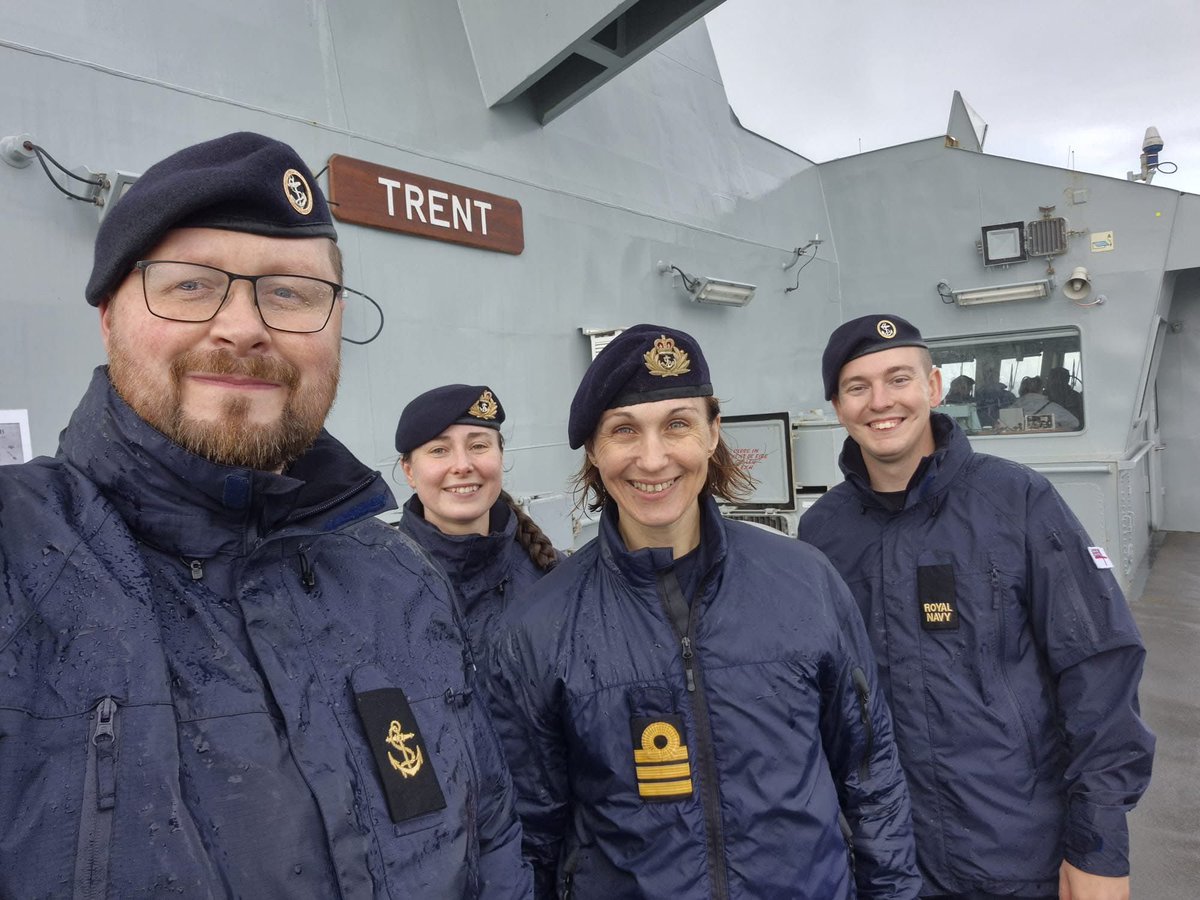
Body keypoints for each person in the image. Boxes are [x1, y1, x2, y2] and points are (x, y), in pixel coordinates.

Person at [0, 133, 531, 898]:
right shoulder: (22, 559)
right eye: (189, 285)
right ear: (109, 314)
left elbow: (494, 840)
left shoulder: (401, 580)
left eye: (290, 292)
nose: (245, 326)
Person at [488, 324, 921, 898]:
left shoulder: (804, 581)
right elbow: (529, 837)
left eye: (677, 425)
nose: (652, 457)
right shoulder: (539, 628)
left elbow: (871, 775)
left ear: (713, 433)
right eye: (623, 430)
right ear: (594, 450)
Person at [798, 314, 1154, 900]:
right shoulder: (822, 534)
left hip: (1016, 852)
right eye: (857, 387)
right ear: (837, 406)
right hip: (881, 862)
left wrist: (1099, 846)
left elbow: (1100, 669)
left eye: (899, 379)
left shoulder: (1017, 501)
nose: (880, 402)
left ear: (933, 388)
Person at [394, 383, 561, 663]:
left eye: (478, 446)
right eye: (438, 450)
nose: (462, 465)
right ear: (409, 472)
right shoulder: (378, 587)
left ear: (500, 457)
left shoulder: (553, 576)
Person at [1016, 375, 1081, 430]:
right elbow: (1074, 423)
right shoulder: (1053, 407)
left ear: (1021, 389)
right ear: (1041, 389)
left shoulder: (1012, 408)